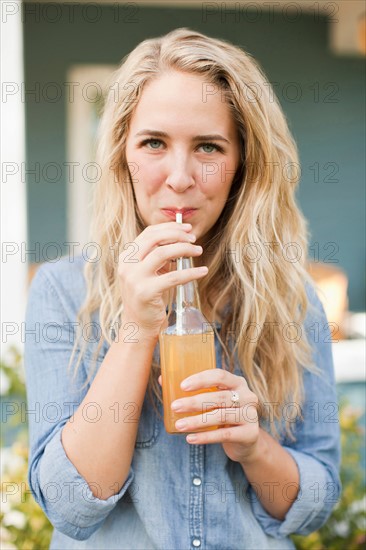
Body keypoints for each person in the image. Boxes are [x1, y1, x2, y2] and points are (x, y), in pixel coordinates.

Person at [24, 27, 341, 549]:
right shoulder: (62, 292)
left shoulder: (293, 297)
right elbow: (70, 504)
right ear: (123, 155)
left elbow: (314, 503)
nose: (179, 176)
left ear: (242, 165)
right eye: (153, 143)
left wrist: (254, 446)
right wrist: (135, 329)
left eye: (208, 147)